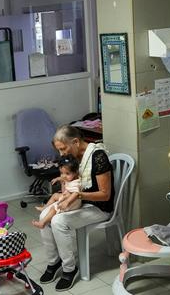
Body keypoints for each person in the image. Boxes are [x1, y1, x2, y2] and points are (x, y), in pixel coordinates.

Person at [37, 125, 114, 291]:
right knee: (44, 214)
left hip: (99, 207)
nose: (62, 154)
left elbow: (105, 195)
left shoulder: (97, 157)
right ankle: (53, 261)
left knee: (58, 221)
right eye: (59, 150)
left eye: (63, 149)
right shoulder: (74, 158)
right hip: (80, 203)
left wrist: (77, 196)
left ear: (76, 142)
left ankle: (69, 269)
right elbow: (71, 182)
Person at [31, 155, 83, 229]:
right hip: (67, 197)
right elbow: (63, 191)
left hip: (73, 202)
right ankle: (44, 208)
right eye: (62, 173)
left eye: (67, 173)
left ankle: (42, 223)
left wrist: (67, 202)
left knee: (54, 208)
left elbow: (76, 194)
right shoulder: (69, 179)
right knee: (55, 195)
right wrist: (62, 182)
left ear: (75, 172)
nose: (64, 176)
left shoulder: (76, 183)